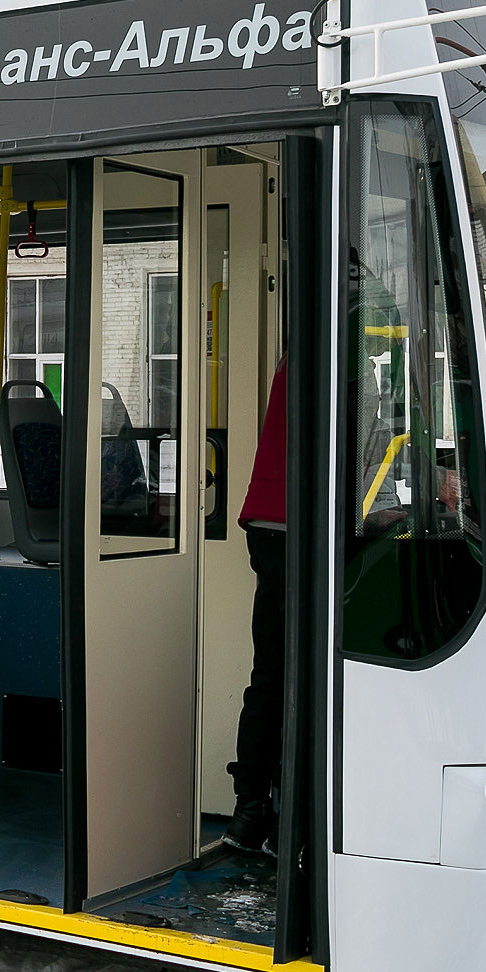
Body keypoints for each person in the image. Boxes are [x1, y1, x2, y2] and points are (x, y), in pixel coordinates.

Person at [219, 357, 289, 857]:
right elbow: (362, 454)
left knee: (270, 673)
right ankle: (295, 820)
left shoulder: (299, 350)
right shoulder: (344, 344)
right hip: (298, 524)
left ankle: (251, 811)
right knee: (309, 676)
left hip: (268, 520)